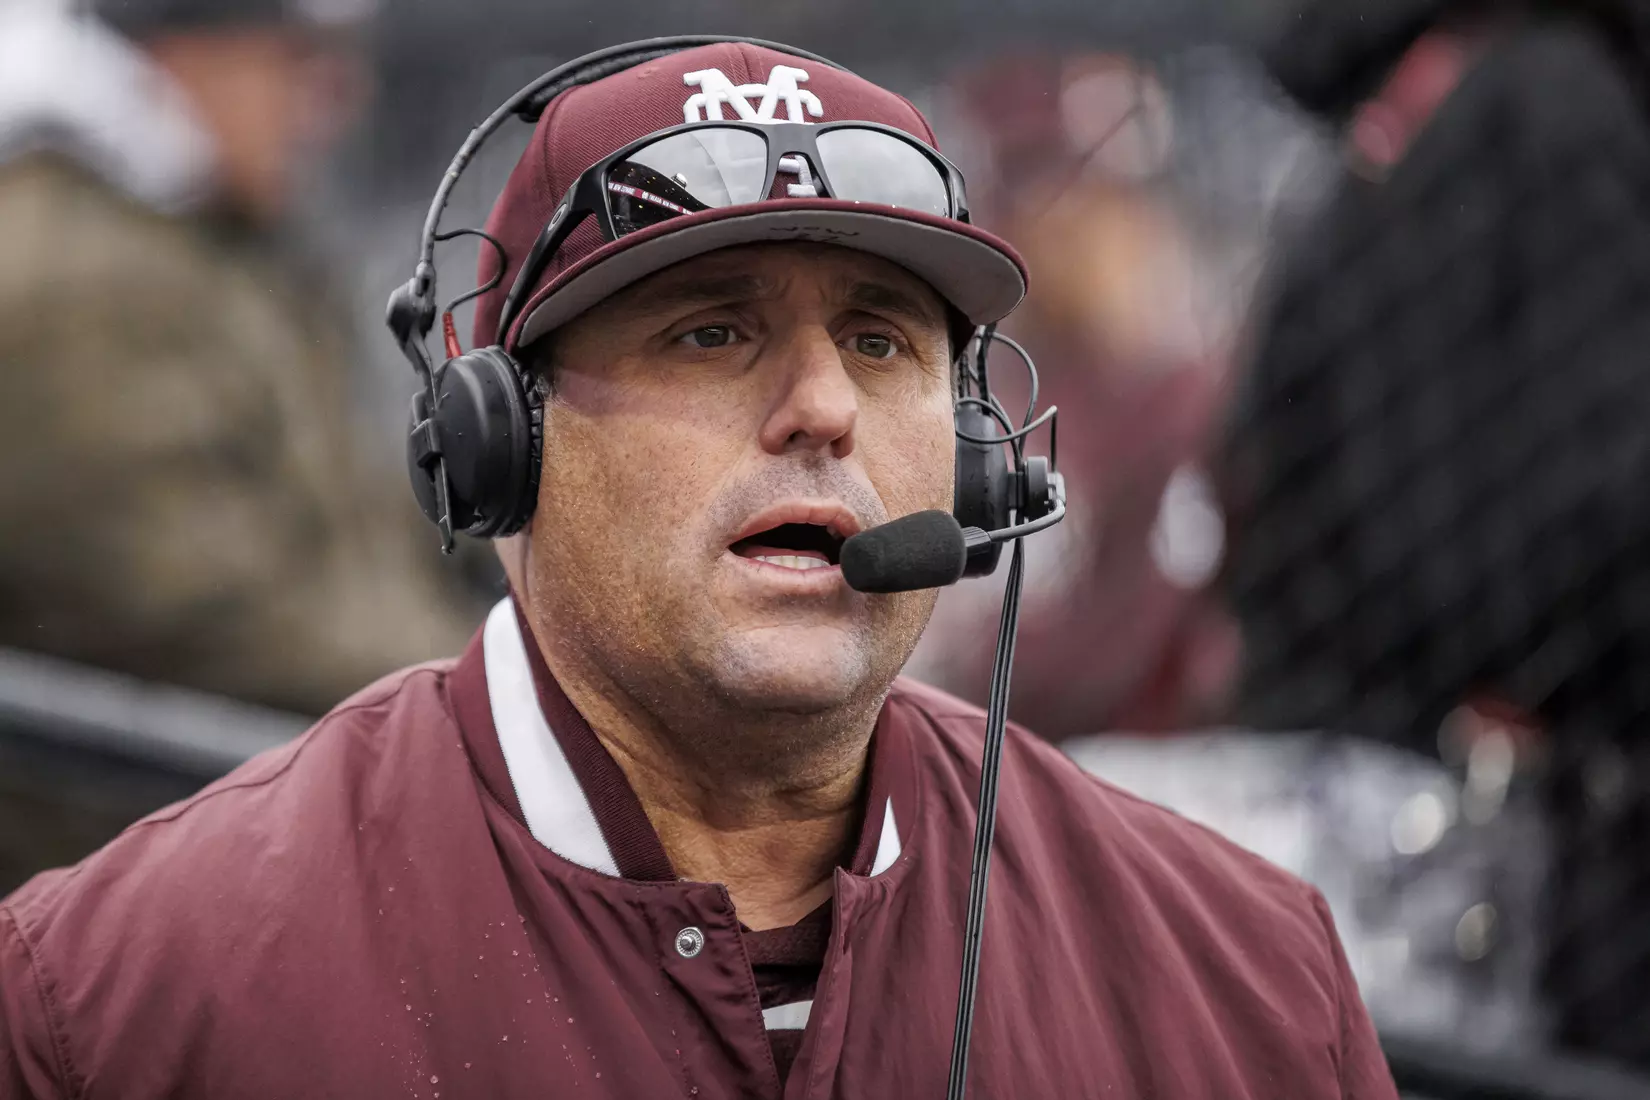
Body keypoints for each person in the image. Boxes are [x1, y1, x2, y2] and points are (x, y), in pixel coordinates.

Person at [0, 40, 1397, 1098]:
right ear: (499, 448)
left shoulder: (1249, 981)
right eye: (710, 334)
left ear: (974, 459)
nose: (823, 409)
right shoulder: (114, 997)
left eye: (878, 342)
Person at [1230, 0, 1650, 1071]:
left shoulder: (1398, 112)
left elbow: (1265, 487)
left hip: (1365, 797)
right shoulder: (1557, 105)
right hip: (1540, 853)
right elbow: (1591, 510)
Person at [0, 0, 480, 716]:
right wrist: (483, 690)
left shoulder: (206, 240)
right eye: (298, 59)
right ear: (184, 55)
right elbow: (193, 612)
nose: (339, 98)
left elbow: (355, 516)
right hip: (156, 798)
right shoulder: (79, 283)